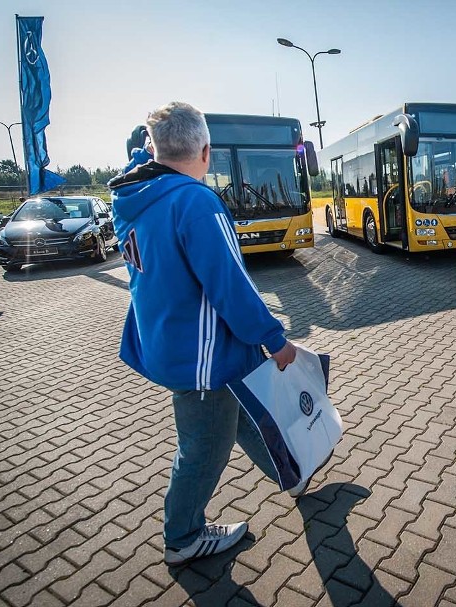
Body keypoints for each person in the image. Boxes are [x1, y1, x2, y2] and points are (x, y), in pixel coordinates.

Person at [109, 101, 313, 567]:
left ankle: (293, 474)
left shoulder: (138, 195)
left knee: (240, 419)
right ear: (206, 151)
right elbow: (230, 286)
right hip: (203, 357)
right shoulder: (195, 201)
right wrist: (275, 341)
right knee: (203, 448)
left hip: (173, 345)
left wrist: (149, 150)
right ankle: (183, 536)